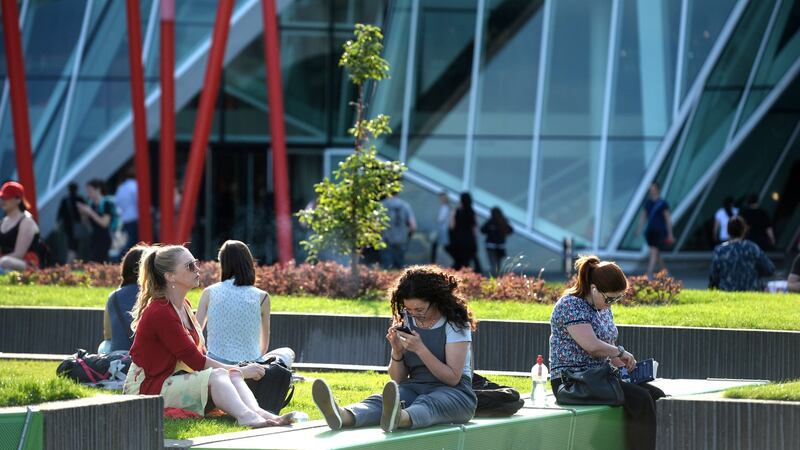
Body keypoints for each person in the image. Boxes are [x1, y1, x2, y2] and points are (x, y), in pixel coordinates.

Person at [123, 245, 294, 427]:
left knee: (230, 374)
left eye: (195, 263)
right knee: (221, 374)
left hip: (172, 379)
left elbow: (199, 356)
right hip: (148, 387)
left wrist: (236, 371)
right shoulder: (160, 312)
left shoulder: (184, 306)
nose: (197, 269)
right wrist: (242, 370)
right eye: (189, 266)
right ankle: (246, 417)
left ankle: (259, 413)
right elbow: (196, 361)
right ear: (170, 276)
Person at [311, 266, 477, 432]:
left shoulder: (455, 324)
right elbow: (398, 379)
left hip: (455, 393)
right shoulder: (407, 320)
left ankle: (400, 418)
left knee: (429, 404)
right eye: (408, 309)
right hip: (414, 387)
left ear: (436, 301)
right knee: (382, 401)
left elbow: (453, 378)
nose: (413, 314)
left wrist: (420, 349)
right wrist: (397, 353)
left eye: (419, 309)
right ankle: (343, 415)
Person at [549, 255, 664, 450]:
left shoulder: (602, 305)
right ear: (594, 289)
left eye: (618, 298)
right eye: (611, 298)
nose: (613, 303)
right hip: (573, 380)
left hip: (600, 376)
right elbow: (592, 346)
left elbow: (608, 347)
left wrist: (627, 370)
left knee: (657, 396)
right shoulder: (570, 305)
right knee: (641, 399)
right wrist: (621, 353)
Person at [196, 240, 293, 365]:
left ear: (223, 264)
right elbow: (264, 346)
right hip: (250, 365)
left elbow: (196, 333)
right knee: (287, 352)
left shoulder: (209, 293)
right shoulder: (262, 297)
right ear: (248, 263)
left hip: (216, 364)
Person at [709, 216, 775, 291]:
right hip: (751, 291)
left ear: (728, 231)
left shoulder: (720, 250)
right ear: (744, 230)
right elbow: (770, 269)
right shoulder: (752, 247)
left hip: (727, 292)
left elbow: (713, 277)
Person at [103, 245, 147, 352]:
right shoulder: (155, 294)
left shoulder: (114, 296)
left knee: (104, 346)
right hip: (147, 357)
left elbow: (108, 335)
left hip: (120, 357)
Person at [0, 181, 41, 271]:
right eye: (2, 197)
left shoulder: (26, 221)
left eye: (6, 197)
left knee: (5, 261)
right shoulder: (3, 221)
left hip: (25, 264)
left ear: (18, 199)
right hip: (3, 262)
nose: (3, 201)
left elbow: (19, 254)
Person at [639, 183, 674, 277]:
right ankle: (665, 272)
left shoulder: (663, 203)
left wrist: (670, 234)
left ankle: (648, 274)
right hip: (650, 232)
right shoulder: (648, 203)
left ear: (658, 189)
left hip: (659, 231)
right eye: (650, 189)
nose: (652, 191)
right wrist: (639, 228)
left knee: (653, 252)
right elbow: (643, 216)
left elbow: (667, 218)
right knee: (656, 253)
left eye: (653, 189)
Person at [77, 179, 115, 262]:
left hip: (104, 238)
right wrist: (83, 213)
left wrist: (90, 212)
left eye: (90, 190)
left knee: (100, 263)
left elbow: (104, 223)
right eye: (87, 191)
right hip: (94, 237)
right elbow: (86, 224)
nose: (88, 193)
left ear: (98, 190)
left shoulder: (105, 203)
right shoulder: (90, 204)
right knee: (94, 263)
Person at [380, 194, 417, 270]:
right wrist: (407, 237)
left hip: (386, 241)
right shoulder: (405, 205)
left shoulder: (382, 205)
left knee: (387, 269)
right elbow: (413, 226)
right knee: (401, 269)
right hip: (401, 241)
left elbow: (376, 226)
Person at [449, 192, 481, 272]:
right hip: (469, 239)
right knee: (467, 262)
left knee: (458, 261)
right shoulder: (472, 212)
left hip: (458, 239)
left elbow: (452, 226)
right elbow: (474, 228)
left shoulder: (457, 211)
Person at [57, 182, 86, 263]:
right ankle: (73, 262)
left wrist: (58, 225)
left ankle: (72, 261)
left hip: (68, 227)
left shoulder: (65, 200)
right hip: (78, 226)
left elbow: (60, 214)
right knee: (77, 245)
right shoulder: (80, 199)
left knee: (71, 244)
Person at [480, 207, 513, 276]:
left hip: (490, 246)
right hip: (500, 246)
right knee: (498, 264)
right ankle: (497, 278)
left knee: (493, 264)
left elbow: (482, 230)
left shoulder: (490, 222)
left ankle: (494, 279)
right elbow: (510, 230)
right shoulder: (503, 221)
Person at [115, 166, 139, 257]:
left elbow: (117, 202)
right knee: (133, 241)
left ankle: (122, 256)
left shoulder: (121, 188)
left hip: (126, 218)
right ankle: (120, 257)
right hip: (135, 217)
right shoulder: (135, 186)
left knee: (131, 239)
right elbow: (139, 201)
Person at [430, 192, 451, 264]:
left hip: (442, 231)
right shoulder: (445, 207)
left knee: (439, 248)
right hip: (442, 231)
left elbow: (440, 219)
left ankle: (435, 263)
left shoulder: (445, 207)